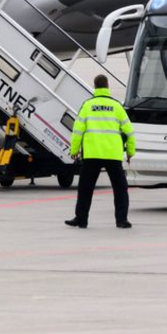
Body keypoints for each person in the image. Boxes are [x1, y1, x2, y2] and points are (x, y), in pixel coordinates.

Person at [66, 75, 135, 229]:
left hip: (92, 154)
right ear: (107, 86)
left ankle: (81, 219)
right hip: (113, 155)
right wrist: (130, 152)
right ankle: (122, 220)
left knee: (85, 188)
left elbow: (77, 131)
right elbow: (129, 131)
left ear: (95, 86)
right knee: (120, 188)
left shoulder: (88, 105)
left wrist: (74, 150)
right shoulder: (116, 106)